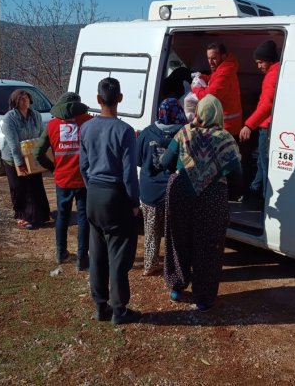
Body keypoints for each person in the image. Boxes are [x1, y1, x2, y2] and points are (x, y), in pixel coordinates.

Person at [160, 94, 242, 312]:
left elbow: (165, 162)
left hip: (180, 192)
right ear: (219, 114)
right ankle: (203, 298)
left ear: (198, 112)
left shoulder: (184, 132)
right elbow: (237, 177)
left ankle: (177, 287)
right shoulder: (225, 139)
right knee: (209, 247)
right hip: (212, 197)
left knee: (178, 240)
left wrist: (187, 167)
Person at [80, 77, 142, 325]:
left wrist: (91, 188)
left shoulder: (86, 128)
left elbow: (83, 166)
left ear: (97, 99)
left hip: (93, 194)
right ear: (120, 99)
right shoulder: (125, 131)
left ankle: (99, 305)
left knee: (96, 253)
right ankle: (119, 310)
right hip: (116, 195)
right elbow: (129, 173)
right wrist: (134, 202)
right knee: (118, 255)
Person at [34, 92, 93, 270]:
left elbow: (37, 153)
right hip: (84, 179)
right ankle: (82, 260)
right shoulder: (89, 121)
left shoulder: (52, 125)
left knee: (62, 216)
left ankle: (61, 253)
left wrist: (53, 167)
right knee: (83, 218)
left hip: (63, 179)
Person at [136, 97, 187, 276]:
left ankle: (149, 264)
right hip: (173, 192)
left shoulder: (147, 132)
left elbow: (138, 160)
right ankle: (172, 268)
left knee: (151, 230)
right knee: (173, 234)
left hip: (149, 191)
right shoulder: (184, 133)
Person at [239, 41, 281, 208]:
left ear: (268, 60)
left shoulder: (272, 75)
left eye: (260, 62)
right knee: (261, 163)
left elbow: (267, 104)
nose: (258, 66)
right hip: (265, 125)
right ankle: (254, 192)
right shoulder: (276, 71)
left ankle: (262, 202)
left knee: (264, 165)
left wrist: (249, 125)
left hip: (266, 127)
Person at [0, 89, 50, 230]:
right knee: (19, 188)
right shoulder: (9, 119)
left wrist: (42, 155)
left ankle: (40, 215)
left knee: (35, 187)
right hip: (12, 158)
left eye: (26, 98)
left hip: (31, 156)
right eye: (21, 99)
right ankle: (22, 215)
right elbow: (13, 145)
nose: (25, 101)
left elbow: (41, 135)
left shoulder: (36, 115)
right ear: (15, 101)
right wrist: (20, 164)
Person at [191, 43, 243, 136]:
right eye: (208, 58)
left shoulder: (224, 74)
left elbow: (207, 99)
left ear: (223, 56)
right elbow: (213, 79)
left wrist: (195, 88)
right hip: (225, 125)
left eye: (213, 58)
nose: (210, 62)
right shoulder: (223, 68)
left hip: (226, 128)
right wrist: (202, 77)